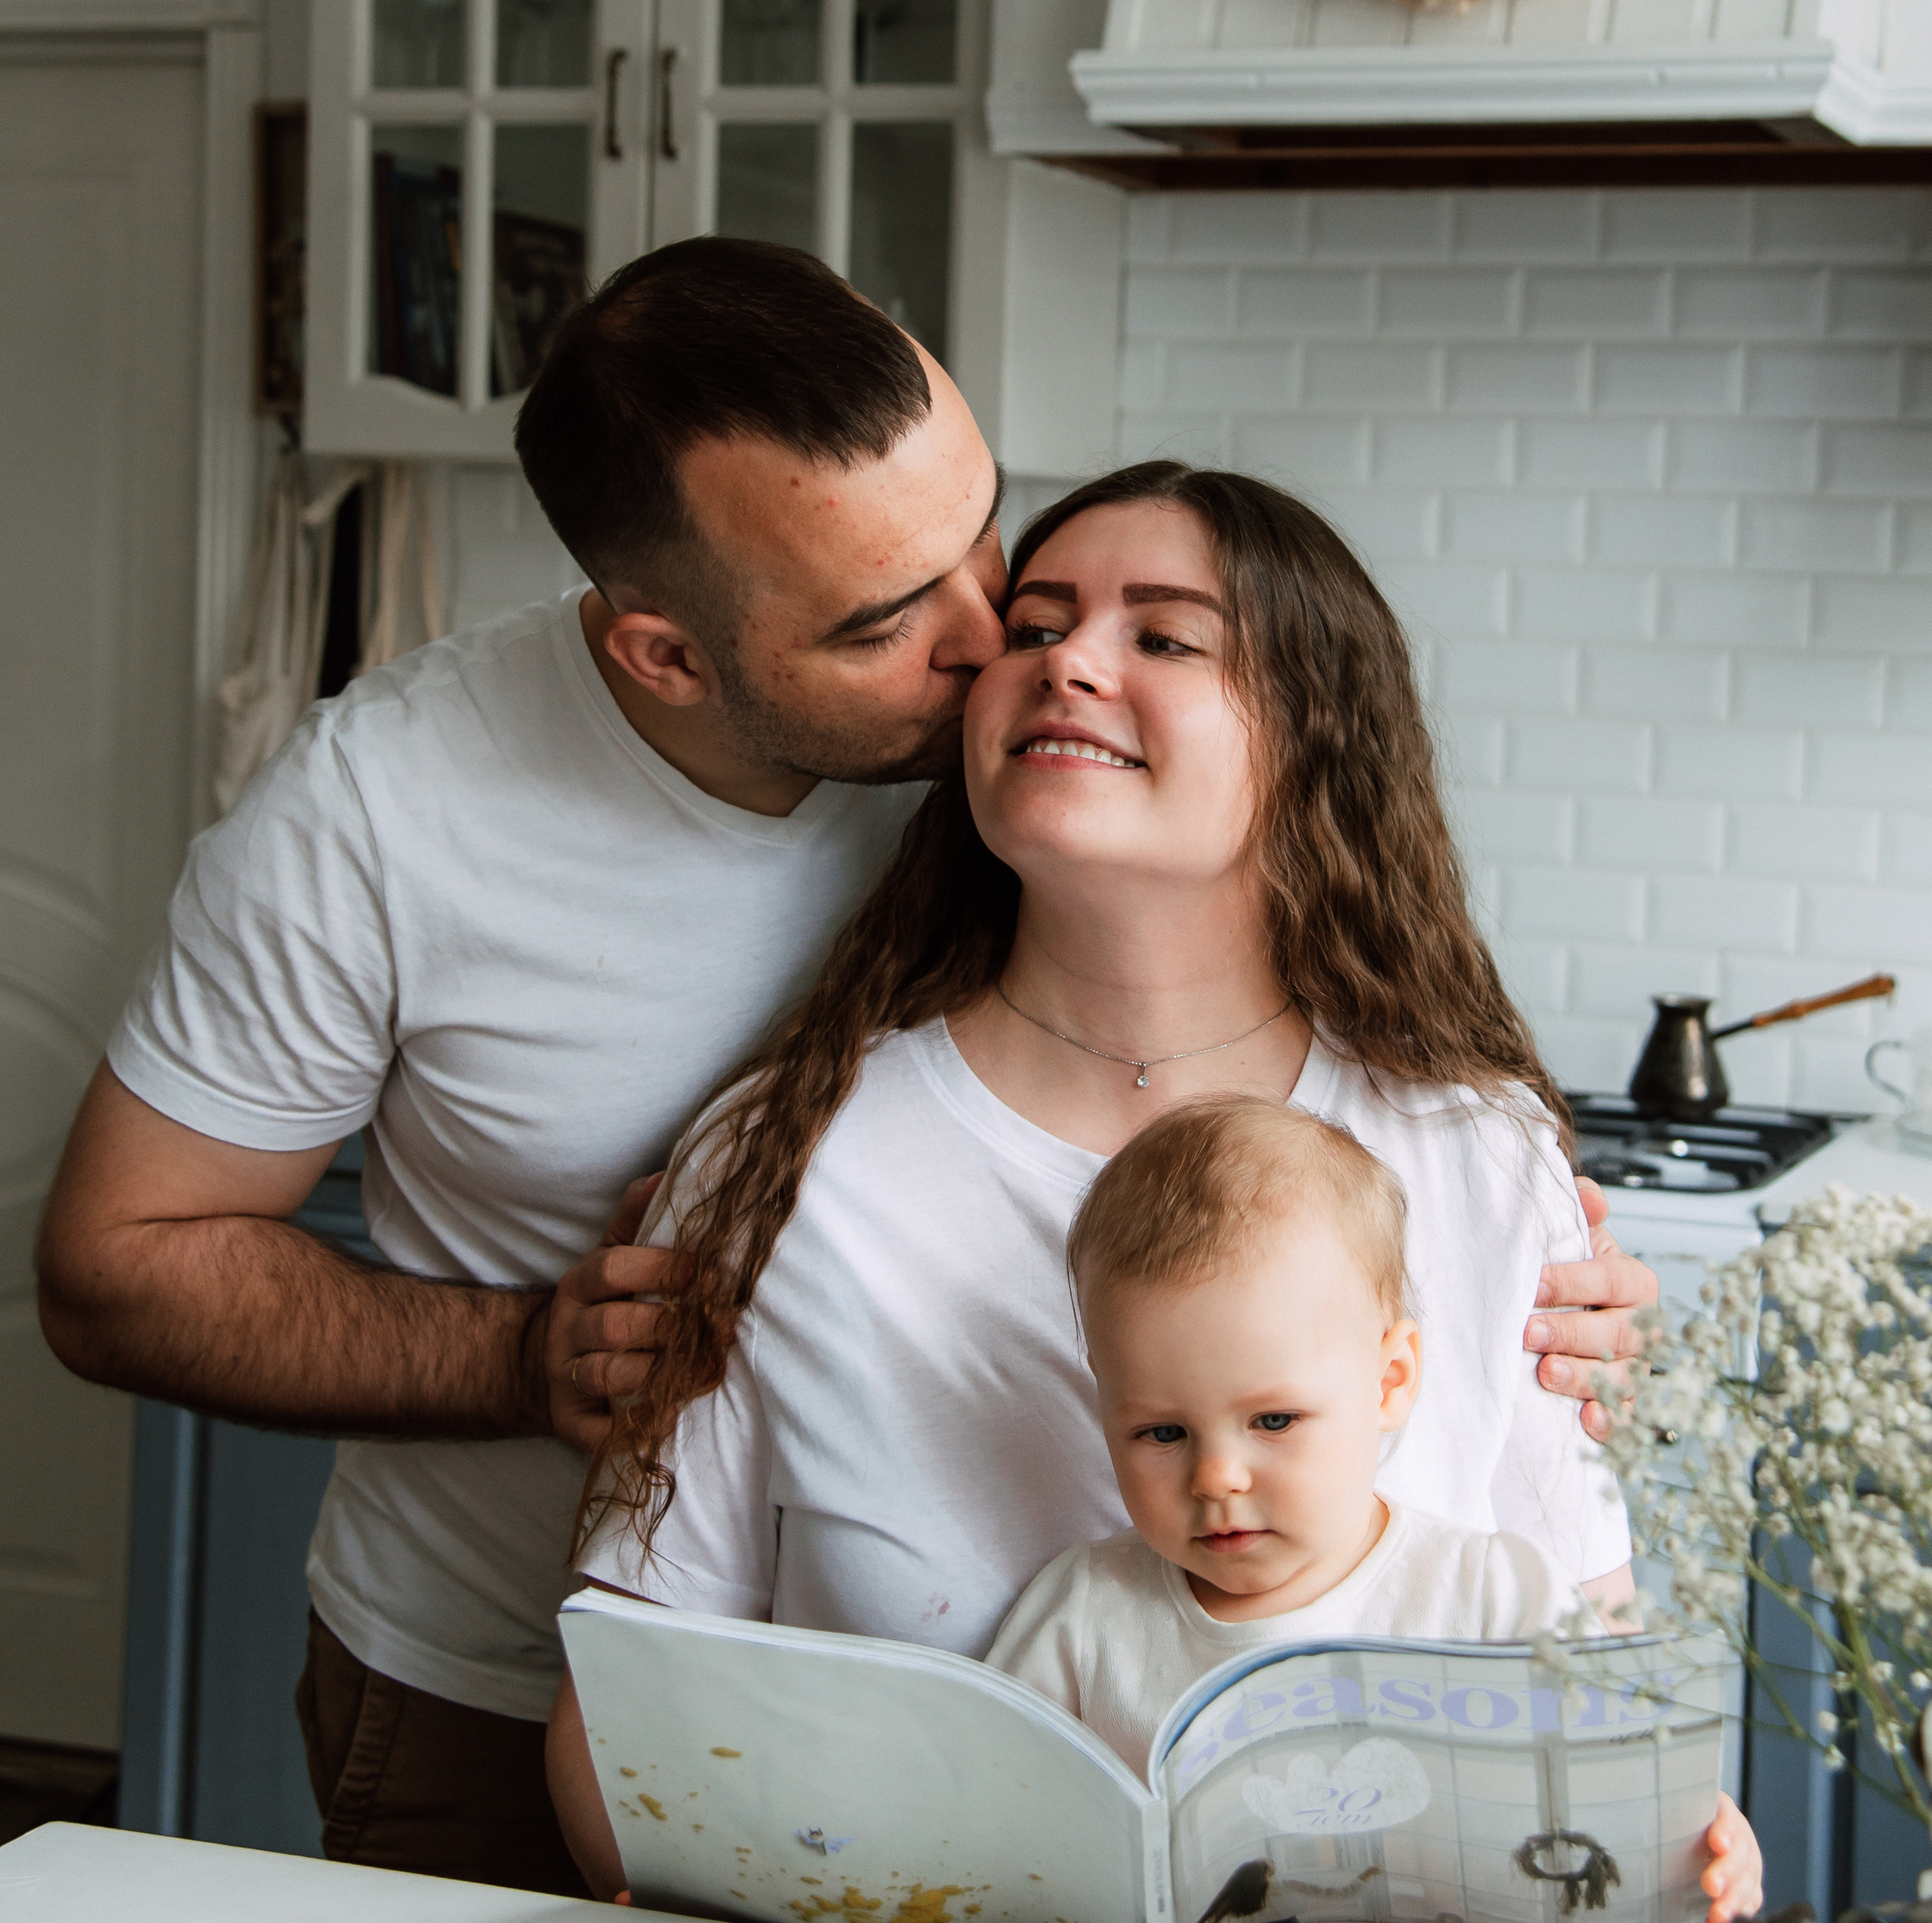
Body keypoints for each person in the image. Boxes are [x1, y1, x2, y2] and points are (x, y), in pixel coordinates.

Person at [35, 242, 1644, 1892]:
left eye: (987, 547)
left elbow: (1587, 1695)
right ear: (671, 655)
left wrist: (1528, 1248)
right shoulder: (386, 825)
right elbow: (114, 1273)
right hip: (494, 1661)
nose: (992, 646)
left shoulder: (1440, 1141)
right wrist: (537, 1356)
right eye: (905, 616)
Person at [549, 463, 1656, 1897]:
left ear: (1314, 732)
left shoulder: (1480, 1155)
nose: (1067, 658)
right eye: (1036, 625)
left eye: (1165, 636)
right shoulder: (786, 1162)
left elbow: (1599, 1675)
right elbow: (626, 1739)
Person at [985, 1094, 1763, 1921]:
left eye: (1273, 1420)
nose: (1217, 1476)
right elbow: (969, 1828)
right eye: (1161, 1431)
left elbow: (1627, 1799)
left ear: (1390, 1380)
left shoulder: (1494, 1596)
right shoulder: (1081, 1618)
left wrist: (1702, 1842)